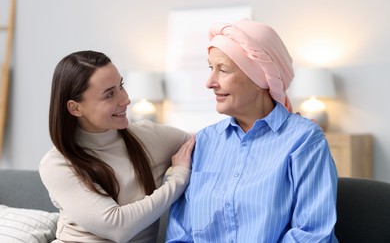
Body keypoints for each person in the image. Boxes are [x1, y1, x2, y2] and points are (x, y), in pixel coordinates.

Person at [166, 18, 338, 242]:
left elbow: (313, 234)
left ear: (261, 78)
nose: (210, 82)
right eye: (211, 68)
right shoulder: (205, 141)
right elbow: (180, 234)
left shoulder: (303, 140)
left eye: (223, 70)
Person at [39, 50, 195, 243]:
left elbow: (210, 143)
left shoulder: (149, 137)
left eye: (121, 86)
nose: (125, 99)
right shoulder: (57, 164)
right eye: (110, 95)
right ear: (75, 108)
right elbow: (118, 227)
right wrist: (178, 178)